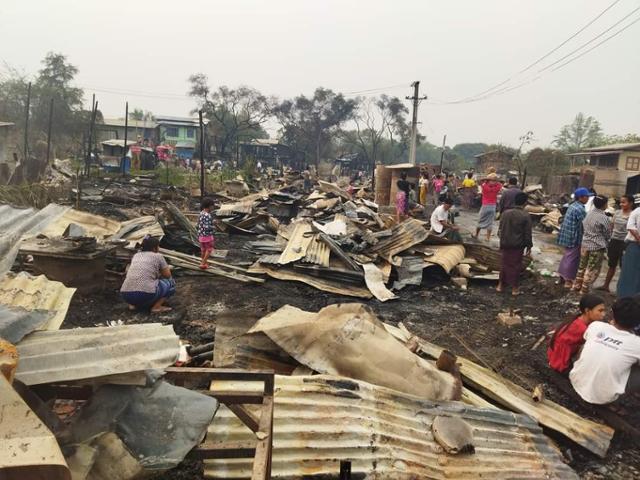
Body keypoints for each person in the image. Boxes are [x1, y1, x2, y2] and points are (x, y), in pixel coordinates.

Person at [569, 297, 640, 405]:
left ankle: (586, 372)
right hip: (604, 398)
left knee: (588, 343)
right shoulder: (637, 343)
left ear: (613, 314)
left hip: (576, 381)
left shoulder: (596, 326)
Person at [547, 294, 606, 374]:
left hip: (557, 355)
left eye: (604, 310)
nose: (603, 314)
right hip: (561, 361)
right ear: (587, 311)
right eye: (600, 311)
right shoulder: (582, 328)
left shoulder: (577, 320)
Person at [120, 236, 175, 313]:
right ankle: (156, 307)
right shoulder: (158, 256)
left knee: (136, 283)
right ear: (154, 248)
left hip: (126, 294)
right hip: (145, 294)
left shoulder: (136, 255)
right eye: (158, 246)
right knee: (171, 283)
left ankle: (133, 305)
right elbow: (167, 275)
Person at [572, 195, 611, 294]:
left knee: (582, 266)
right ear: (604, 205)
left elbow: (583, 226)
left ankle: (577, 285)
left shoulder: (588, 213)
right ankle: (584, 289)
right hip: (597, 246)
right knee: (592, 268)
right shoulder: (604, 218)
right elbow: (607, 234)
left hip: (585, 244)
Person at [496, 192, 532, 295]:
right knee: (516, 266)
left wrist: (502, 240)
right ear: (525, 203)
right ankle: (514, 288)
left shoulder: (505, 213)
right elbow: (527, 233)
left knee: (504, 264)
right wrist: (529, 246)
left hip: (505, 243)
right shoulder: (525, 216)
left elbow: (500, 230)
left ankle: (500, 285)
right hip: (517, 245)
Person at [599, 195, 635, 292]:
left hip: (625, 243)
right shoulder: (617, 213)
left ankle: (621, 289)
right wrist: (609, 237)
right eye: (621, 202)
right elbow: (611, 226)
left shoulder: (633, 215)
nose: (621, 204)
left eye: (624, 202)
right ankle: (606, 286)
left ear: (631, 203)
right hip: (614, 241)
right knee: (612, 264)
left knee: (624, 266)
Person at [557, 187, 590, 289]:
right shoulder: (580, 209)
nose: (588, 198)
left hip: (567, 235)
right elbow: (585, 224)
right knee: (572, 259)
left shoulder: (573, 206)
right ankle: (568, 279)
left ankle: (562, 277)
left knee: (567, 256)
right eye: (587, 196)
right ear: (581, 198)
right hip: (575, 236)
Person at [617, 196, 640, 297]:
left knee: (631, 272)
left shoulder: (636, 211)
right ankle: (626, 296)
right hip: (634, 245)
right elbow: (630, 226)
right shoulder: (637, 211)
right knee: (630, 271)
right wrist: (638, 239)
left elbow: (630, 226)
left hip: (634, 244)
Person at [473, 173, 502, 241]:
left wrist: (486, 180)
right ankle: (488, 238)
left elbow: (479, 181)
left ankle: (476, 234)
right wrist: (495, 180)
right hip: (493, 206)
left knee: (480, 220)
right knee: (490, 222)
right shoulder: (497, 187)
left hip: (485, 205)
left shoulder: (485, 186)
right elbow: (499, 184)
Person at [197, 198, 215, 269]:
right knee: (209, 249)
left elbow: (199, 224)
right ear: (209, 206)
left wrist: (212, 222)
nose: (213, 207)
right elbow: (207, 227)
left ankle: (204, 262)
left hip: (201, 236)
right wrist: (213, 227)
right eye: (212, 206)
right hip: (207, 236)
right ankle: (203, 263)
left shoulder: (201, 213)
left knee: (203, 249)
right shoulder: (208, 215)